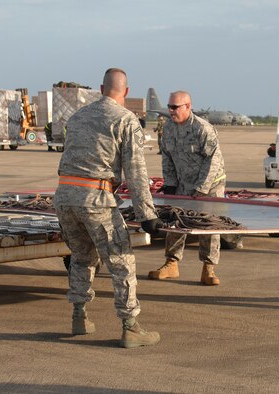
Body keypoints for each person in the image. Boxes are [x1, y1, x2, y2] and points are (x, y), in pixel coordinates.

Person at [53, 68, 162, 348]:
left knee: (81, 256)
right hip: (95, 199)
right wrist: (147, 214)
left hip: (65, 197)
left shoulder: (77, 117)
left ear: (102, 89)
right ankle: (130, 327)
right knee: (121, 261)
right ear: (126, 91)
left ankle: (79, 316)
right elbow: (136, 171)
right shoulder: (125, 120)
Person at [148, 90, 226, 286]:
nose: (171, 111)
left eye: (175, 107)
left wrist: (202, 188)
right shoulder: (168, 129)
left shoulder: (202, 129)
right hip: (183, 182)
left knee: (208, 225)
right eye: (169, 107)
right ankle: (171, 263)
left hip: (210, 185)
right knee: (175, 221)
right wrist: (170, 184)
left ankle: (208, 268)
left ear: (188, 107)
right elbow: (167, 158)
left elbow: (213, 161)